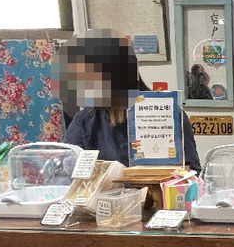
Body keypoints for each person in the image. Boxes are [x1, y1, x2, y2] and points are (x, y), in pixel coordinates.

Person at [58, 30, 201, 172]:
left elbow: (191, 171)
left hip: (159, 187)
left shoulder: (166, 113)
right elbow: (66, 170)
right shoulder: (86, 120)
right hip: (105, 188)